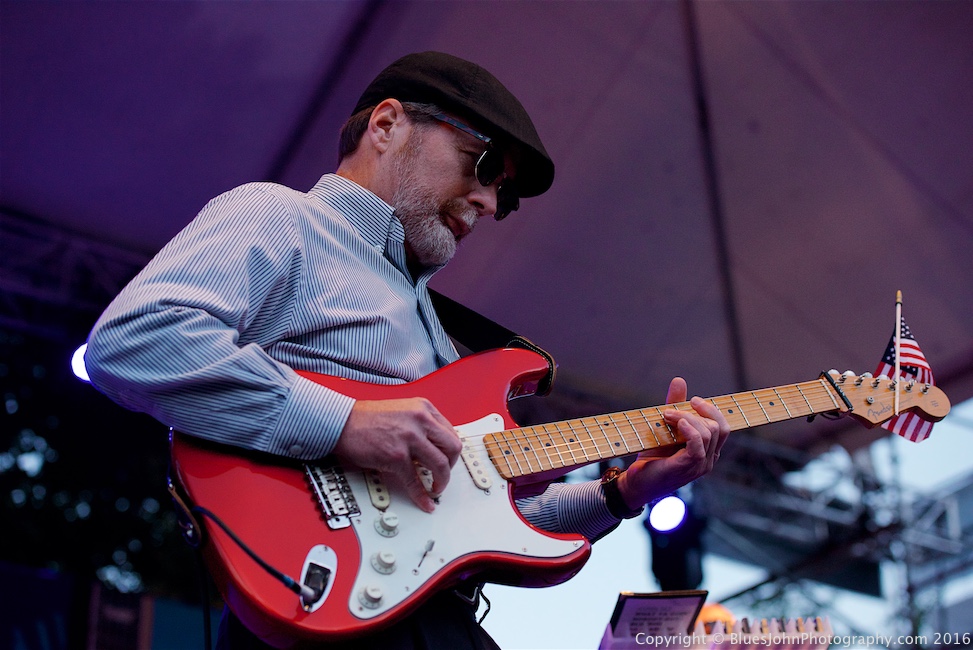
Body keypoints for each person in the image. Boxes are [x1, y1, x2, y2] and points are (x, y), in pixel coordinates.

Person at [85, 51, 729, 650]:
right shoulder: (284, 217)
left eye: (502, 195)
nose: (488, 201)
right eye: (483, 166)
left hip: (430, 620)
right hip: (319, 604)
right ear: (387, 125)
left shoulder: (443, 337)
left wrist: (627, 491)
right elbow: (135, 339)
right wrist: (342, 422)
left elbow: (477, 525)